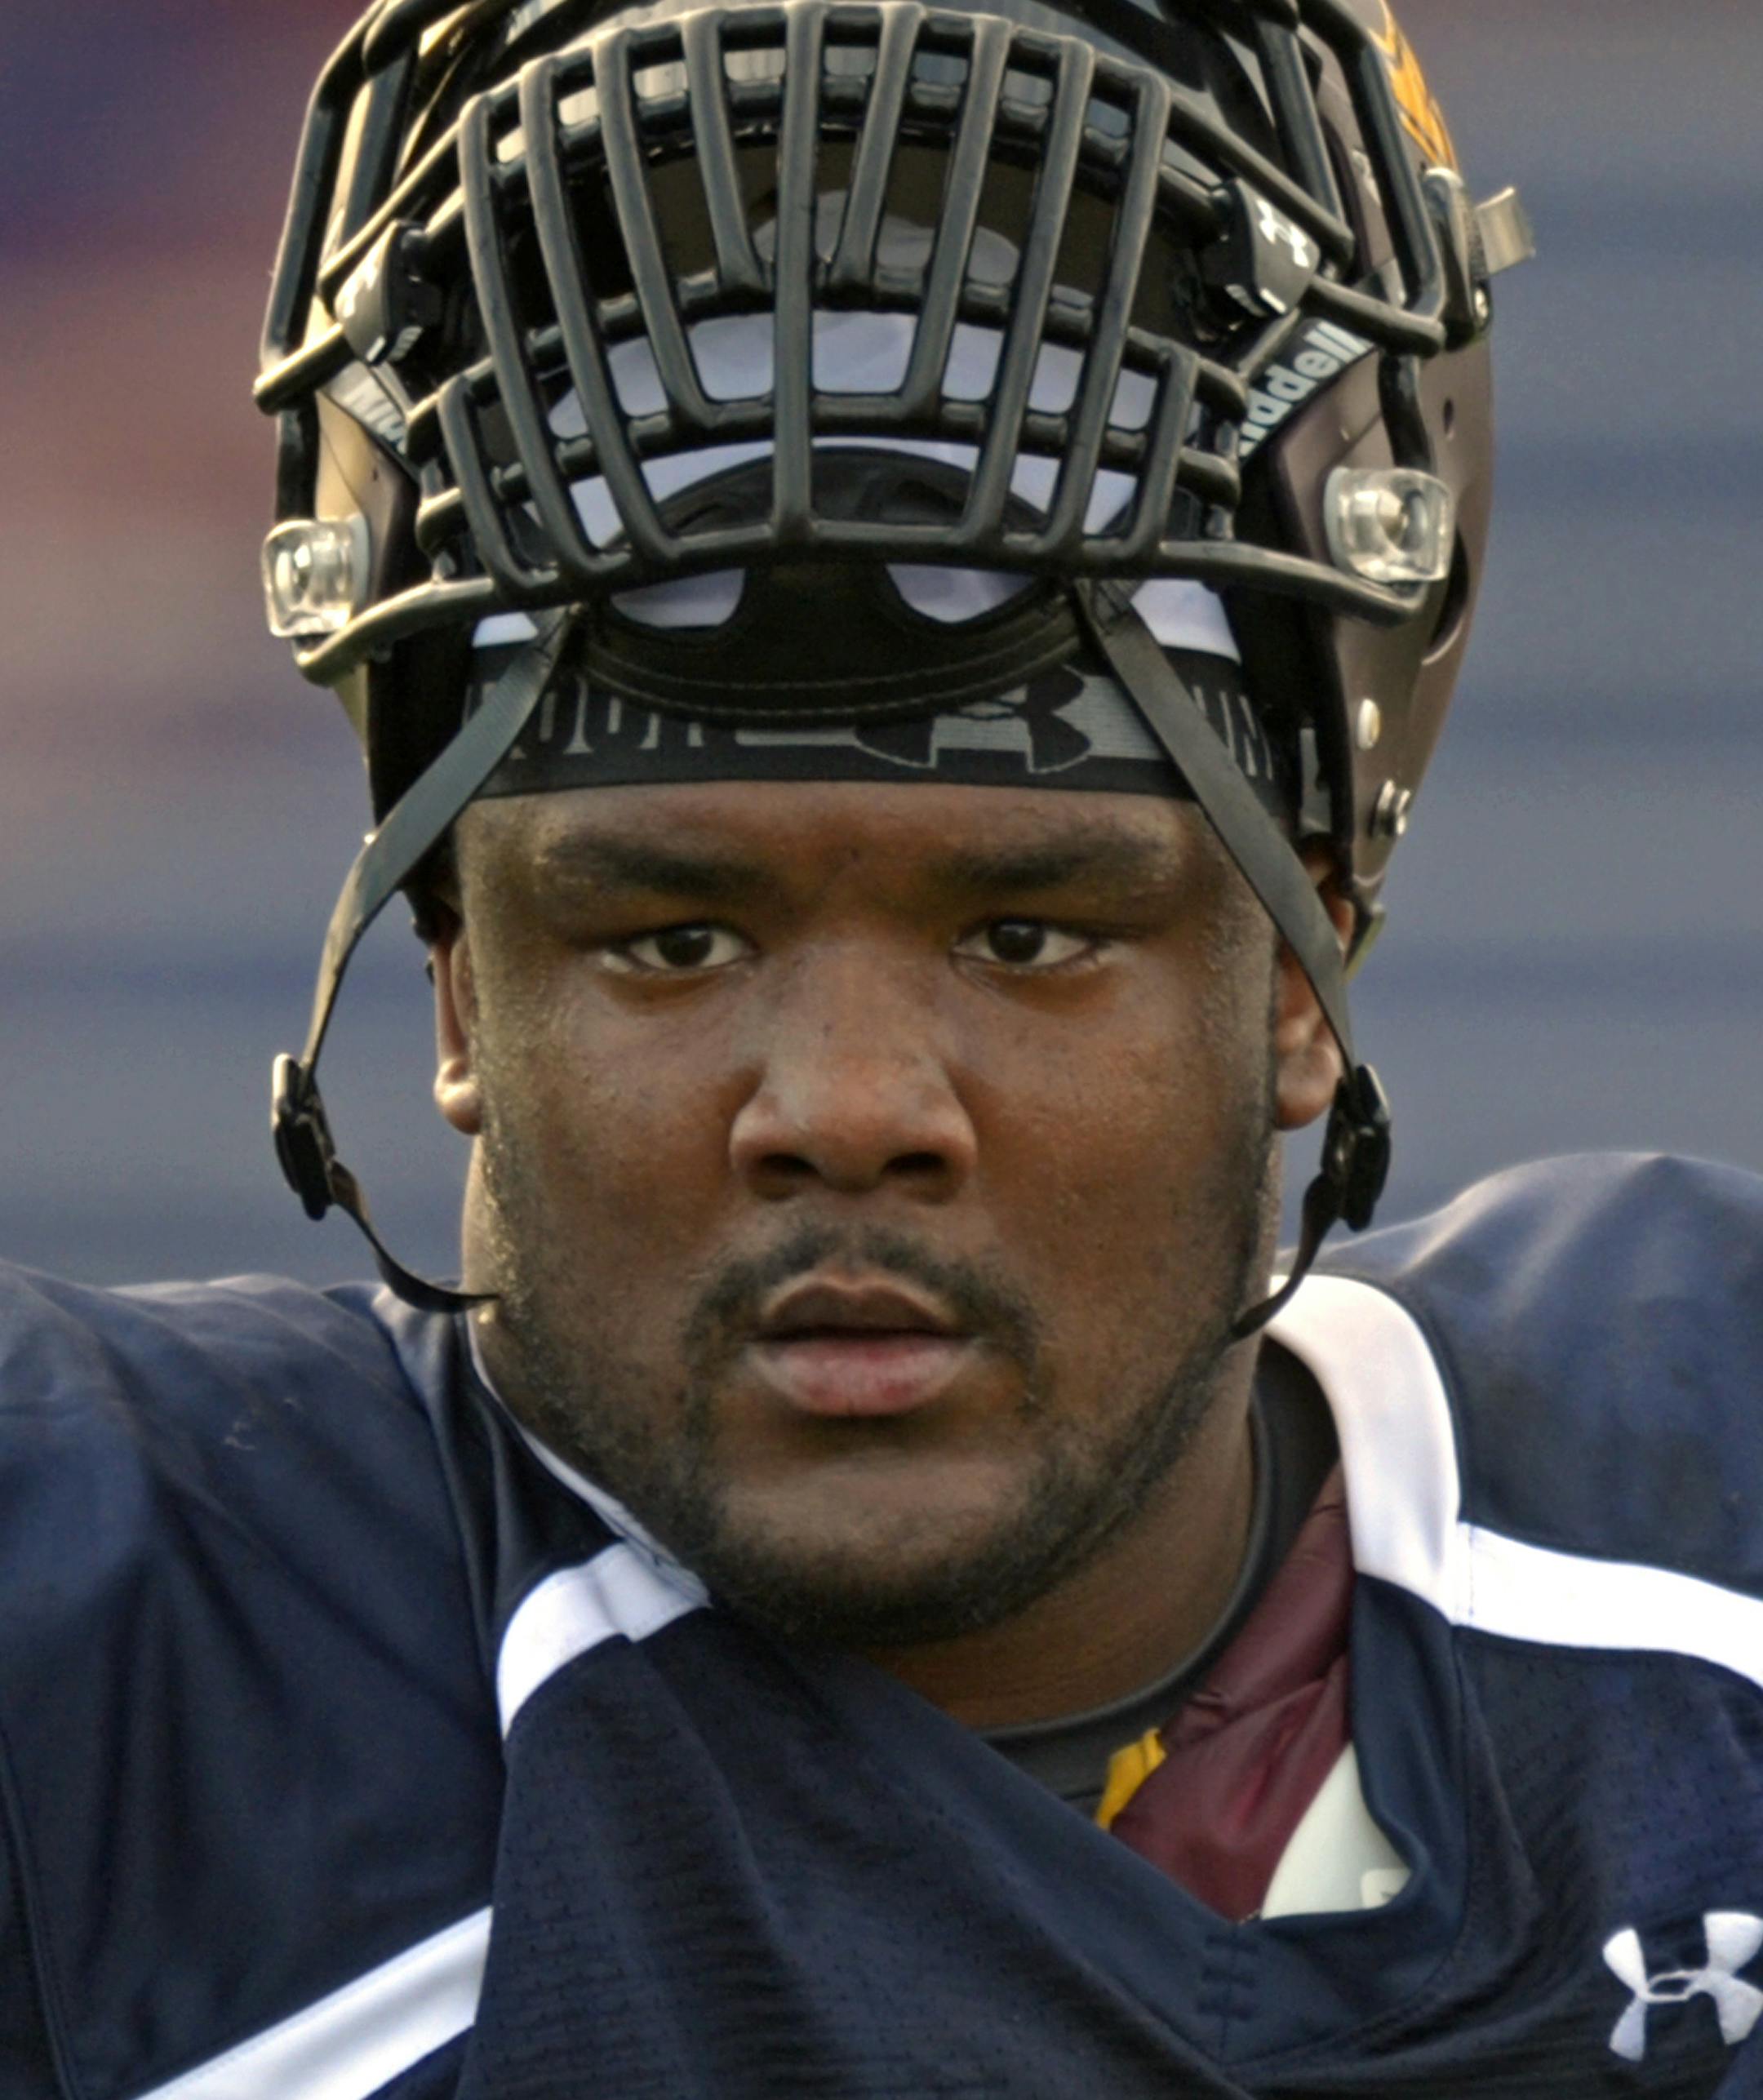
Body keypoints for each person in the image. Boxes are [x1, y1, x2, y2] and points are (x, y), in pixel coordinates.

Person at [2, 0, 1760, 2093]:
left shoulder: (1702, 1535)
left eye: (1027, 933)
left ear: (1306, 977)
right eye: (671, 940)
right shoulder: (129, 1653)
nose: (846, 1109)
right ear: (461, 977)